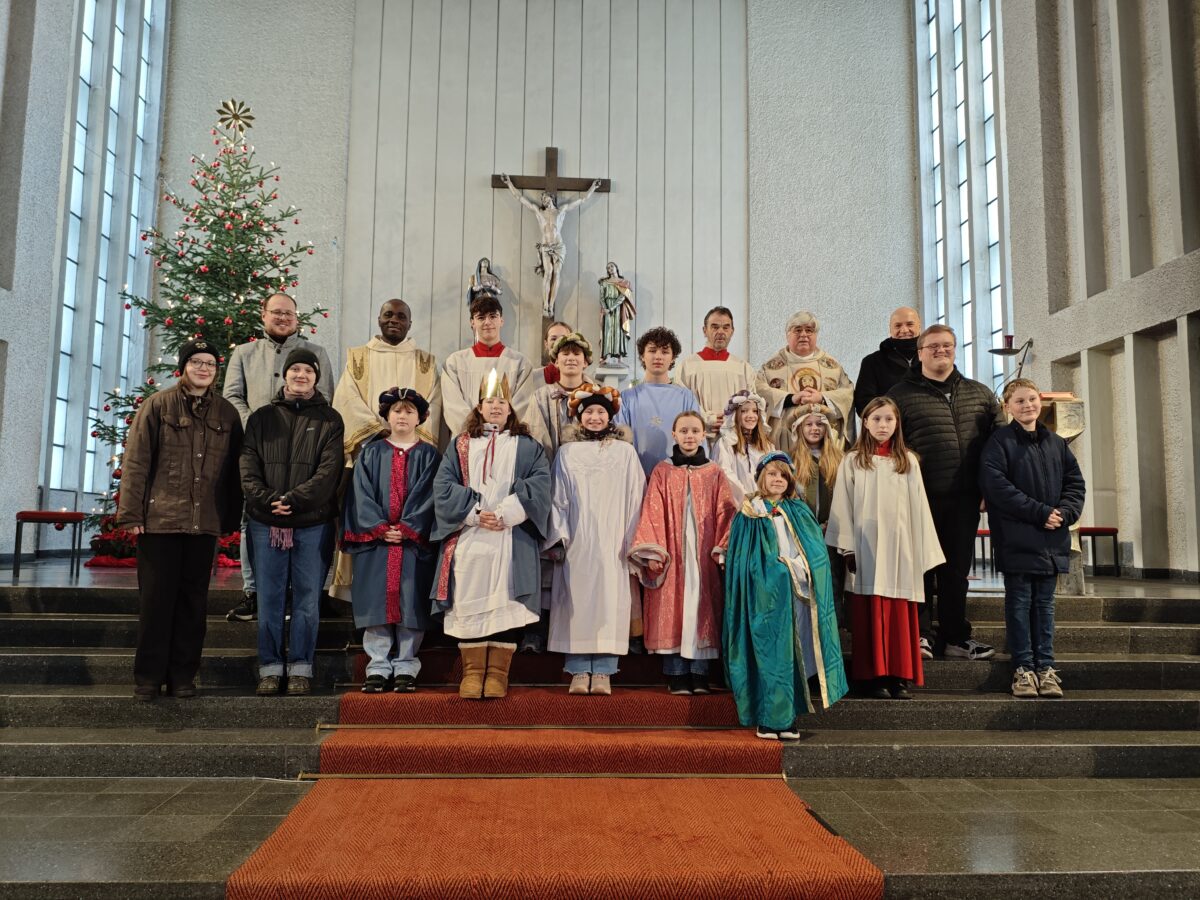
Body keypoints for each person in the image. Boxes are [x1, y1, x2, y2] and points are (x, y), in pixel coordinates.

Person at [117, 339, 243, 701]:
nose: (203, 368)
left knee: (193, 605)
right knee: (156, 603)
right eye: (197, 362)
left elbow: (235, 471)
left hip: (203, 524)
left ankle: (183, 676)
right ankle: (148, 678)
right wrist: (131, 514)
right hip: (160, 522)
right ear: (184, 366)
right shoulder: (158, 405)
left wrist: (230, 517)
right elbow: (137, 461)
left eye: (210, 364)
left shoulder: (226, 413)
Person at [431, 369, 552, 699]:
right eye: (489, 401)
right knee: (469, 600)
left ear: (511, 408)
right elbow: (443, 486)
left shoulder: (527, 446)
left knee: (507, 600)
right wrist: (473, 514)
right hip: (471, 536)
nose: (496, 406)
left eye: (502, 401)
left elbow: (541, 483)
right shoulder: (461, 445)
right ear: (479, 407)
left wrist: (507, 513)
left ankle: (498, 673)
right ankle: (472, 672)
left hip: (510, 537)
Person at [888, 324, 1004, 661]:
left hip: (965, 497)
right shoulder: (900, 394)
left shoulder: (980, 394)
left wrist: (988, 489)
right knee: (920, 569)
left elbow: (997, 447)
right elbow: (890, 445)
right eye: (934, 346)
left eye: (947, 345)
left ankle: (955, 637)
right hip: (917, 498)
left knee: (956, 571)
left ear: (955, 350)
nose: (941, 351)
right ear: (920, 352)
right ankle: (920, 636)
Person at [223, 292, 334, 623]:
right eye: (276, 312)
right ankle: (253, 592)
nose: (283, 318)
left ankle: (308, 592)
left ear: (297, 317)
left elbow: (326, 396)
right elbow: (232, 397)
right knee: (252, 516)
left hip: (305, 449)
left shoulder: (317, 353)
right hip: (258, 446)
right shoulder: (244, 354)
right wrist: (256, 426)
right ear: (264, 315)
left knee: (309, 516)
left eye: (289, 313)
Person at [241, 348, 344, 697]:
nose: (301, 375)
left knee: (306, 598)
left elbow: (329, 471)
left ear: (316, 377)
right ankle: (270, 668)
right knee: (269, 597)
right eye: (295, 369)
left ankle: (301, 666)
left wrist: (293, 500)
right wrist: (270, 500)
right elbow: (248, 466)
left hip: (312, 522)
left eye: (308, 371)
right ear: (284, 375)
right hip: (265, 522)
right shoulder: (260, 418)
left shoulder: (330, 420)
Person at [826, 397, 944, 700]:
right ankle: (873, 677)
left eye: (888, 420)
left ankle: (900, 676)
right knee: (870, 613)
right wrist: (847, 548)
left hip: (901, 550)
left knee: (900, 615)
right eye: (876, 419)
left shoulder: (907, 460)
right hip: (866, 549)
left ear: (897, 424)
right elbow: (842, 507)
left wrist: (922, 550)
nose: (882, 425)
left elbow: (920, 508)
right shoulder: (852, 460)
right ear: (865, 422)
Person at [723, 453, 848, 739]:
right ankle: (768, 719)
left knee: (795, 656)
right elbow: (742, 561)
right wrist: (771, 572)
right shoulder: (748, 513)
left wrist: (796, 568)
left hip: (797, 596)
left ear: (790, 480)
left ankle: (788, 718)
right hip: (763, 599)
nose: (777, 479)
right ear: (760, 479)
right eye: (771, 474)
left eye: (783, 475)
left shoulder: (799, 511)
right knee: (769, 655)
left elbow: (816, 554)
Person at [329, 299, 441, 604]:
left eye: (401, 316)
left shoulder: (426, 362)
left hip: (414, 464)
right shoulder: (358, 358)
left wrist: (407, 440)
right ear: (378, 319)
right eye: (388, 315)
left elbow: (433, 406)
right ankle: (363, 605)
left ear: (410, 323)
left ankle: (406, 615)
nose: (394, 320)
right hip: (371, 459)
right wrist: (383, 435)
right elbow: (347, 401)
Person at [980, 379, 1086, 700]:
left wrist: (1064, 513)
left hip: (1051, 539)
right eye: (1019, 401)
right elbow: (997, 487)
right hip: (1017, 537)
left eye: (1031, 399)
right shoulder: (999, 443)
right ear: (1007, 407)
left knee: (1045, 605)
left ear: (1040, 402)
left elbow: (1075, 485)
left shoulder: (1056, 443)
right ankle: (1024, 669)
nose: (1027, 405)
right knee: (1020, 603)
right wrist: (1040, 512)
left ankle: (1047, 669)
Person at [545, 384, 645, 695]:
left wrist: (634, 541)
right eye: (589, 412)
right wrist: (558, 536)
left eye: (601, 411)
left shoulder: (625, 452)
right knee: (576, 600)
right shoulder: (567, 452)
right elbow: (557, 497)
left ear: (610, 416)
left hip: (615, 539)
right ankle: (577, 668)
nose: (595, 417)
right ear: (579, 417)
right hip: (578, 538)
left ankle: (604, 669)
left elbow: (636, 496)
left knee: (609, 600)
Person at [340, 388, 440, 693]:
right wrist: (380, 526)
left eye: (410, 411)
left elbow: (430, 495)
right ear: (387, 415)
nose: (402, 416)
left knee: (410, 602)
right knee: (377, 602)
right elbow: (360, 493)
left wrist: (409, 527)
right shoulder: (371, 452)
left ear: (420, 417)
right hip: (376, 542)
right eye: (397, 410)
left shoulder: (429, 455)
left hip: (413, 544)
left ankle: (407, 665)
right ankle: (378, 665)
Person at [629, 410, 736, 694]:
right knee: (674, 606)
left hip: (703, 551)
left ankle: (699, 673)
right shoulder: (663, 471)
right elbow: (651, 508)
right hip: (672, 551)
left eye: (694, 431)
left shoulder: (714, 472)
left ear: (703, 435)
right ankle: (676, 673)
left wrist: (722, 546)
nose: (689, 436)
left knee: (701, 607)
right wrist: (654, 550)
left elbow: (726, 510)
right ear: (674, 435)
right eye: (684, 431)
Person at [758, 311, 855, 454]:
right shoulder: (771, 367)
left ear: (816, 335)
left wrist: (822, 398)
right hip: (785, 441)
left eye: (809, 330)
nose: (803, 334)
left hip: (825, 441)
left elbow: (848, 394)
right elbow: (759, 390)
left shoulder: (832, 366)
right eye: (797, 330)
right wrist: (790, 399)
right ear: (787, 335)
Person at [675, 307, 777, 442]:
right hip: (698, 439)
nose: (721, 332)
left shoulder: (744, 368)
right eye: (715, 327)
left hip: (735, 439)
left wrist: (732, 420)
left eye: (726, 327)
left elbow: (752, 405)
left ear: (732, 331)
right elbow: (681, 402)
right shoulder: (686, 367)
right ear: (704, 330)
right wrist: (704, 418)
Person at [441, 294, 536, 436]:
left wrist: (501, 433)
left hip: (507, 440)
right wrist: (475, 431)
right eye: (481, 318)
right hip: (469, 438)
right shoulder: (455, 362)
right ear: (472, 322)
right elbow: (453, 406)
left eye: (493, 316)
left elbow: (523, 405)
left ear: (501, 320)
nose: (487, 322)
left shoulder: (519, 363)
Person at [614, 327, 702, 478]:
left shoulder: (686, 397)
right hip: (636, 477)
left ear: (673, 358)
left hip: (677, 477)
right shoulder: (628, 398)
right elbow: (619, 443)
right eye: (652, 350)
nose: (658, 357)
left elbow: (696, 440)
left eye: (665, 351)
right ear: (642, 355)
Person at [528, 331, 592, 458]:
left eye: (576, 354)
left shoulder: (595, 395)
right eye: (565, 354)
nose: (571, 358)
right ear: (556, 361)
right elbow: (535, 436)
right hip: (550, 468)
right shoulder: (541, 397)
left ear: (585, 362)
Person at [853, 306, 921, 419]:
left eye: (910, 324)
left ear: (919, 326)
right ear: (890, 329)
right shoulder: (872, 362)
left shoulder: (931, 358)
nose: (904, 330)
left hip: (926, 429)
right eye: (898, 325)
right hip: (888, 431)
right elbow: (863, 404)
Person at [711, 389, 775, 505]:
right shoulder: (726, 443)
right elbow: (725, 473)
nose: (751, 415)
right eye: (744, 411)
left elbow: (773, 472)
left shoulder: (768, 446)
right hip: (737, 505)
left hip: (765, 504)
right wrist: (746, 498)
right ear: (735, 415)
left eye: (755, 411)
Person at [790, 404, 844, 529]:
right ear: (799, 428)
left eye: (819, 424)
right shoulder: (791, 459)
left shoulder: (839, 458)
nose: (815, 428)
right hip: (802, 526)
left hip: (832, 527)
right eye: (809, 424)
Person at [598, 262, 636, 362]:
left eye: (612, 266)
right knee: (608, 331)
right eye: (608, 267)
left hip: (619, 308)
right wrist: (605, 308)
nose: (610, 268)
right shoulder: (604, 282)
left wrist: (611, 308)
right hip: (607, 309)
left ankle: (620, 356)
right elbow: (601, 298)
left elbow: (622, 297)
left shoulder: (623, 282)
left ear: (616, 268)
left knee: (619, 331)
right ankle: (608, 354)